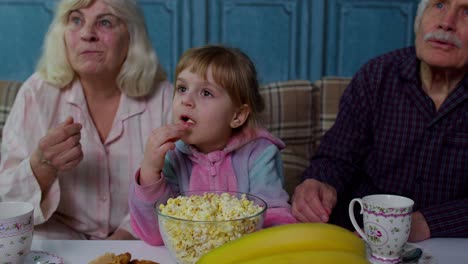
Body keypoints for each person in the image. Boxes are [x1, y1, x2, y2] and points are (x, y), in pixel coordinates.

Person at [292, 0, 467, 242]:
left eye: (467, 11)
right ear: (419, 19)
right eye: (438, 5)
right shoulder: (377, 76)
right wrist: (320, 182)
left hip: (450, 246)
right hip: (358, 238)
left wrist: (424, 223)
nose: (446, 23)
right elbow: (337, 157)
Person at [0, 0, 173, 240]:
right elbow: (4, 199)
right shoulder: (36, 93)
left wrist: (119, 242)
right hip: (57, 241)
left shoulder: (165, 98)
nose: (87, 34)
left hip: (139, 240)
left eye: (104, 22)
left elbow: (179, 191)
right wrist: (41, 165)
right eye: (76, 20)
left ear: (132, 36)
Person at [128, 45, 297, 245]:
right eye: (182, 88)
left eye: (206, 93)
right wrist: (149, 172)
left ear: (237, 115)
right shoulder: (171, 155)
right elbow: (155, 236)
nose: (186, 100)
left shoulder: (258, 155)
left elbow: (276, 220)